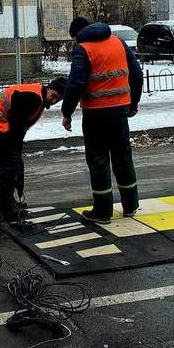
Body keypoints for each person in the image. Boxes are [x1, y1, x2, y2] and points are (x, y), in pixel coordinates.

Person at [61, 17, 143, 223]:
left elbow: (76, 83)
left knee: (98, 161)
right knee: (123, 157)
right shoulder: (118, 42)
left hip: (95, 115)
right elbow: (137, 74)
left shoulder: (83, 49)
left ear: (77, 35)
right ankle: (131, 205)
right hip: (120, 112)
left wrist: (67, 112)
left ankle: (103, 211)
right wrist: (133, 104)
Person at [0, 77, 67, 222]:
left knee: (12, 163)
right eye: (54, 95)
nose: (53, 100)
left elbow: (19, 128)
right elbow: (16, 125)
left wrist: (17, 154)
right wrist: (16, 153)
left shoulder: (39, 98)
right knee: (9, 164)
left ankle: (7, 202)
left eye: (58, 99)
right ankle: (4, 208)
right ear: (49, 88)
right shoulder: (33, 98)